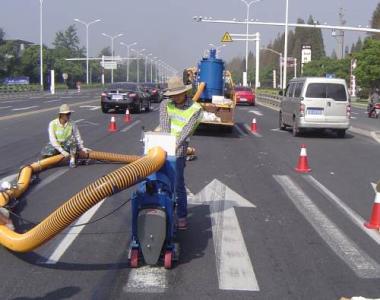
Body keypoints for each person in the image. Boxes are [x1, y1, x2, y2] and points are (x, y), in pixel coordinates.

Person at [159, 77, 202, 230]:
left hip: (179, 150)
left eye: (178, 94)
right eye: (172, 95)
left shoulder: (196, 109)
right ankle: (162, 211)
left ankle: (182, 215)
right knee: (159, 182)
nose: (175, 98)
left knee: (177, 184)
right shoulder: (165, 104)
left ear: (185, 93)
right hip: (163, 149)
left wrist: (173, 146)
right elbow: (164, 126)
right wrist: (163, 146)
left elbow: (186, 131)